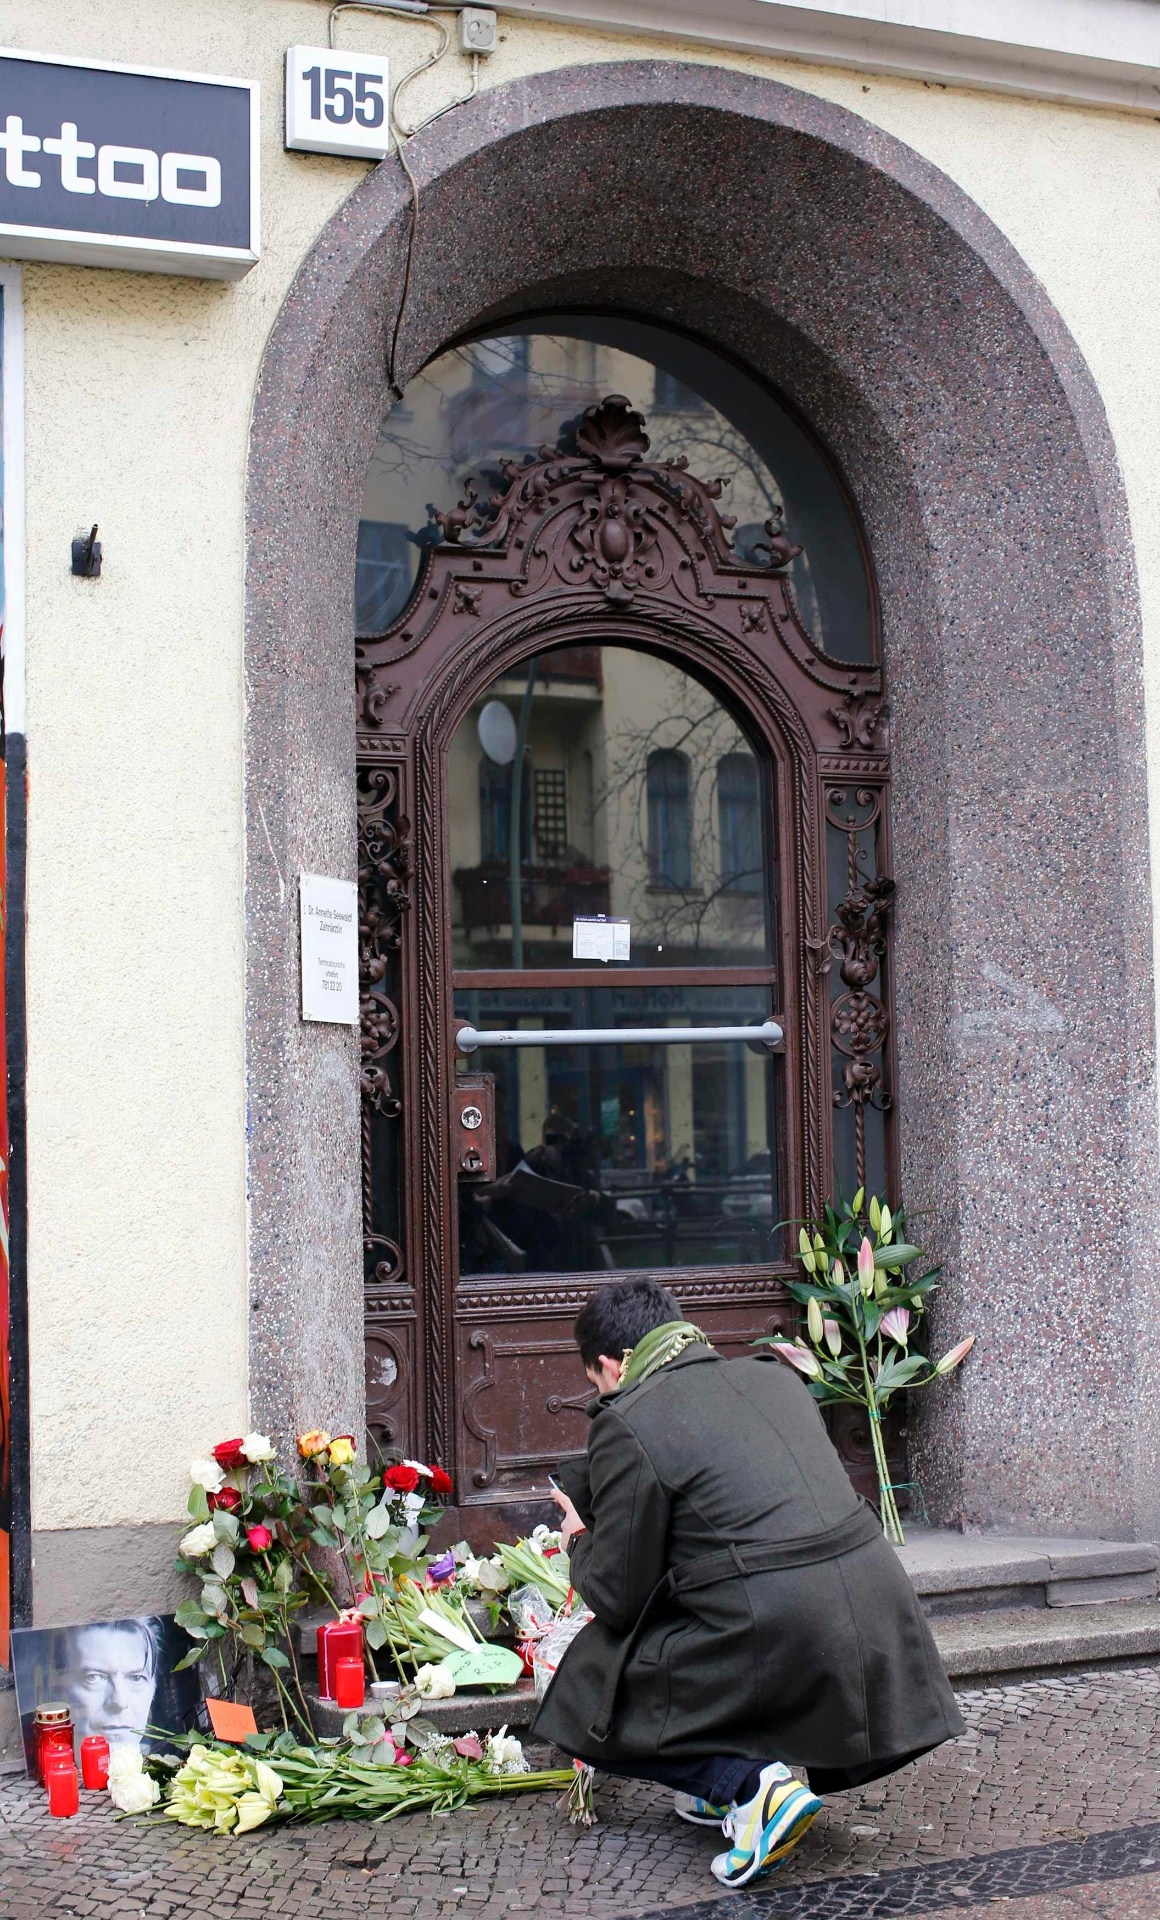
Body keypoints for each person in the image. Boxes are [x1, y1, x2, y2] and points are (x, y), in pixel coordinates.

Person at [533, 1277, 965, 1891]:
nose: (603, 1395)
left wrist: (579, 1536)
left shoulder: (628, 1419)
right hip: (879, 1613)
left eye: (596, 1384)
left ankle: (750, 1786)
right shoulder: (773, 1378)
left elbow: (617, 1598)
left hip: (780, 1625)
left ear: (610, 1364)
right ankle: (727, 1792)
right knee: (703, 1630)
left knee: (596, 1674)